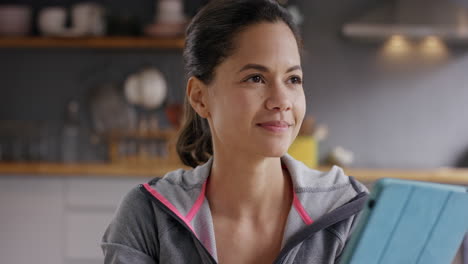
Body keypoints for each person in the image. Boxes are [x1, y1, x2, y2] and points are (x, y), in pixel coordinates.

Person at [101, 0, 369, 263]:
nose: (282, 100)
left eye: (292, 79)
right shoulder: (149, 214)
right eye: (255, 78)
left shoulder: (348, 212)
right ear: (200, 98)